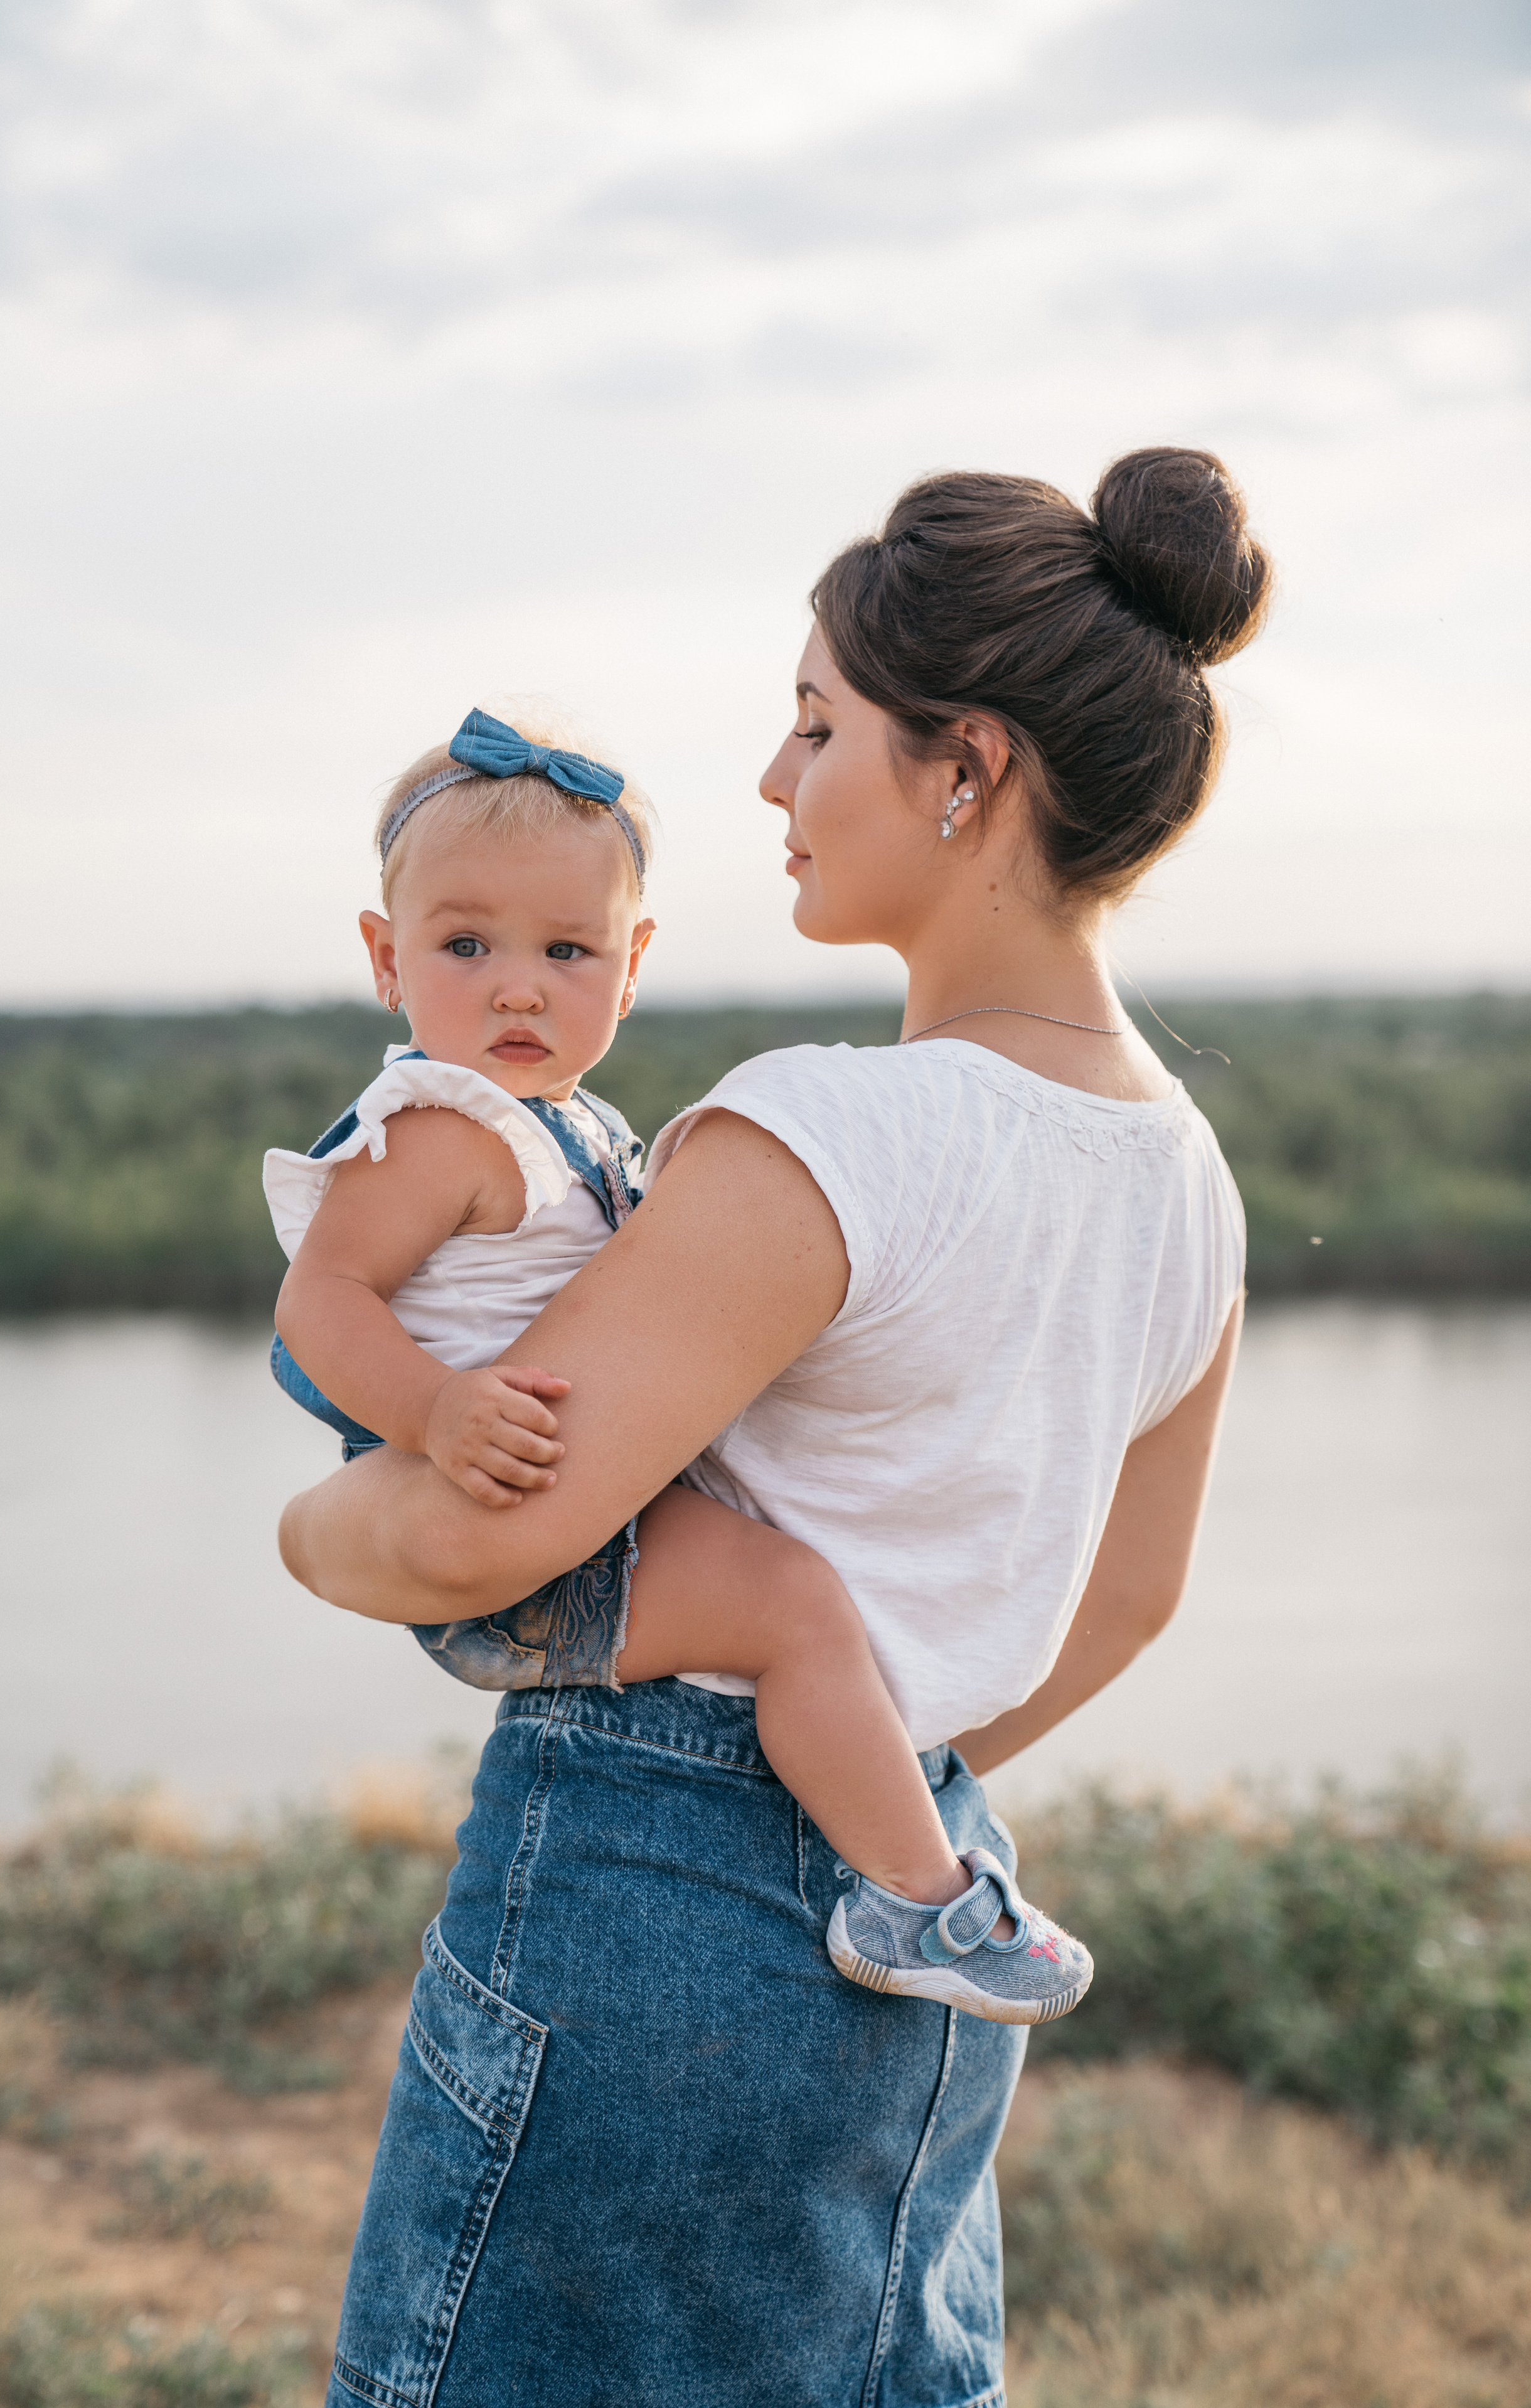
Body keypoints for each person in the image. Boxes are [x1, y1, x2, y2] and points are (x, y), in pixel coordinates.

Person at [278, 446, 1265, 2408]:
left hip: (659, 1911)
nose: (771, 781)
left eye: (817, 724)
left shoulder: (812, 1130)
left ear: (964, 768)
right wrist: (876, 1783)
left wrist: (309, 1537)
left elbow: (483, 1538)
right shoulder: (1192, 1182)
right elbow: (1131, 1599)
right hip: (934, 1895)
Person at [265, 704, 1088, 2020]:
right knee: (793, 1606)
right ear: (385, 956)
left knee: (796, 1602)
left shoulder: (568, 1125)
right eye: (464, 944)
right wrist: (433, 1409)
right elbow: (321, 1298)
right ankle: (917, 1893)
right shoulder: (439, 1127)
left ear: (632, 963)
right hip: (524, 1541)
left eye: (567, 948)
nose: (518, 984)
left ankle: (886, 1840)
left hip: (575, 1520)